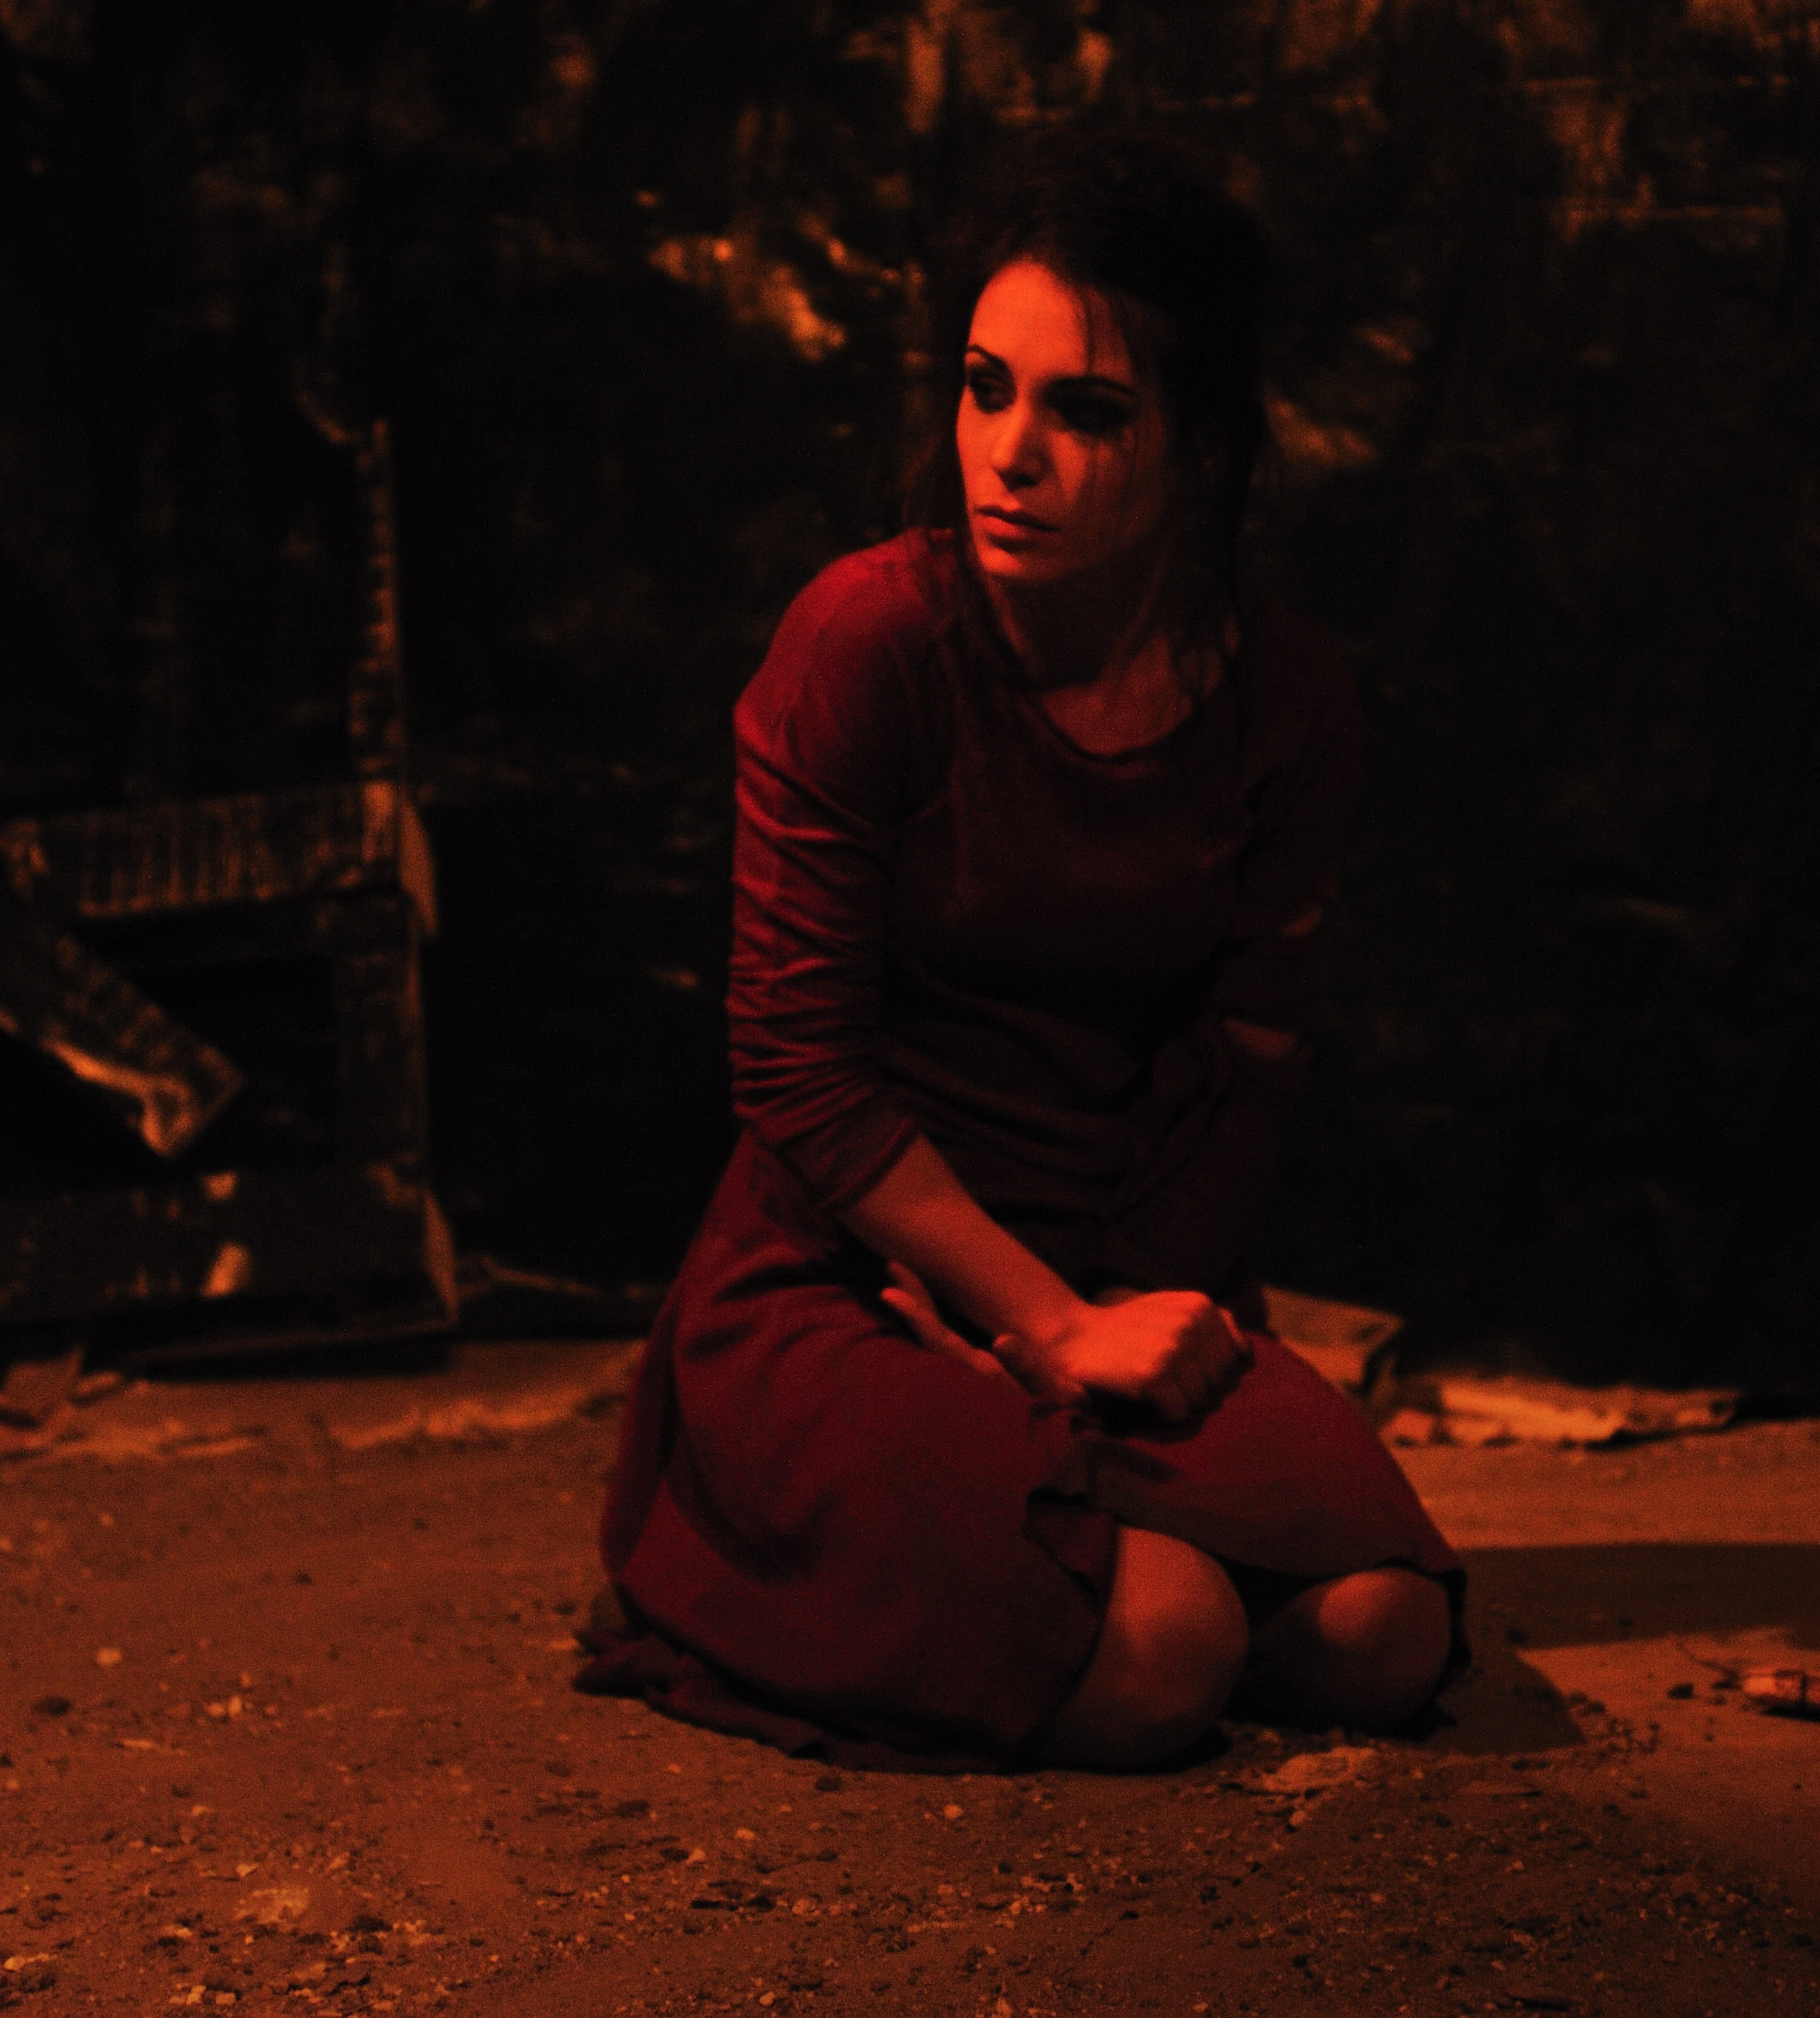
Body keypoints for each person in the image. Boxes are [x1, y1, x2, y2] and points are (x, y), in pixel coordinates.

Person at [578, 126, 1461, 1771]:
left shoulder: (1284, 698)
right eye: (986, 391)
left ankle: (1049, 1541)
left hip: (1118, 1272)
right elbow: (794, 1069)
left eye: (1087, 412)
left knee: (1381, 1635)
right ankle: (819, 1568)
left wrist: (1128, 1311)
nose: (1010, 454)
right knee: (1166, 1654)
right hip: (851, 1276)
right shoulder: (869, 641)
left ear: (1203, 446)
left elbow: (1251, 1059)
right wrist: (1030, 1326)